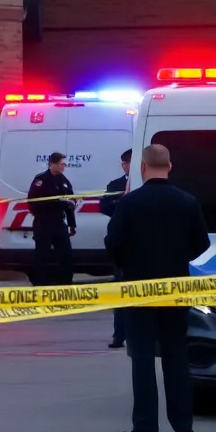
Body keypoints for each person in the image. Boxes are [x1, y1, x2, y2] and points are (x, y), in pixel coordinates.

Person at [104, 144, 210, 432]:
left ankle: (146, 425)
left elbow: (113, 242)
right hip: (177, 289)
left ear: (142, 167)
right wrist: (179, 258)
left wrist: (127, 265)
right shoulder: (187, 201)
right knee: (176, 355)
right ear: (170, 167)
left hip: (138, 289)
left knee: (142, 356)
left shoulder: (129, 203)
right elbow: (202, 244)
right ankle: (183, 426)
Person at [99, 149, 133, 349]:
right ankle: (119, 335)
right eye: (124, 163)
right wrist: (120, 204)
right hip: (122, 244)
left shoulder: (143, 184)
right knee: (120, 291)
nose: (125, 166)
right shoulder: (115, 185)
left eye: (128, 162)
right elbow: (104, 206)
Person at [27, 152, 77, 286]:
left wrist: (72, 224)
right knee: (42, 255)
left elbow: (70, 203)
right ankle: (40, 284)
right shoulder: (41, 180)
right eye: (61, 164)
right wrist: (57, 204)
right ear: (52, 164)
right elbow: (33, 203)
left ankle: (66, 283)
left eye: (64, 164)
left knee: (67, 254)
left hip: (58, 222)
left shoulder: (64, 181)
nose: (63, 167)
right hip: (43, 223)